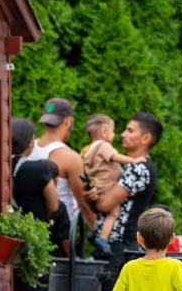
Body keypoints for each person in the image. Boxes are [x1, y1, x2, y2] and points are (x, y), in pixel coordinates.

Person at [91, 112, 162, 291]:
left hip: (119, 245)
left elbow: (105, 203)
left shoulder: (139, 169)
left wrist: (88, 196)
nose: (123, 133)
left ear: (146, 138)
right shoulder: (133, 166)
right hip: (119, 243)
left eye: (130, 130)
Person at [26, 98, 95, 229]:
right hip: (60, 233)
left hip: (31, 231)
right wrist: (101, 236)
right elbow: (83, 204)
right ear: (68, 121)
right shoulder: (70, 157)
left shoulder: (27, 149)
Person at [81, 114, 142, 254]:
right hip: (106, 186)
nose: (115, 135)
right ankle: (102, 239)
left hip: (96, 186)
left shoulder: (85, 150)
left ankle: (95, 231)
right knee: (113, 213)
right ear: (103, 132)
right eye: (112, 131)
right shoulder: (104, 145)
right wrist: (133, 160)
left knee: (98, 210)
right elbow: (115, 157)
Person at [10, 117, 70, 259]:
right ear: (30, 143)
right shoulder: (39, 169)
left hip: (6, 237)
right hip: (33, 243)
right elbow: (54, 206)